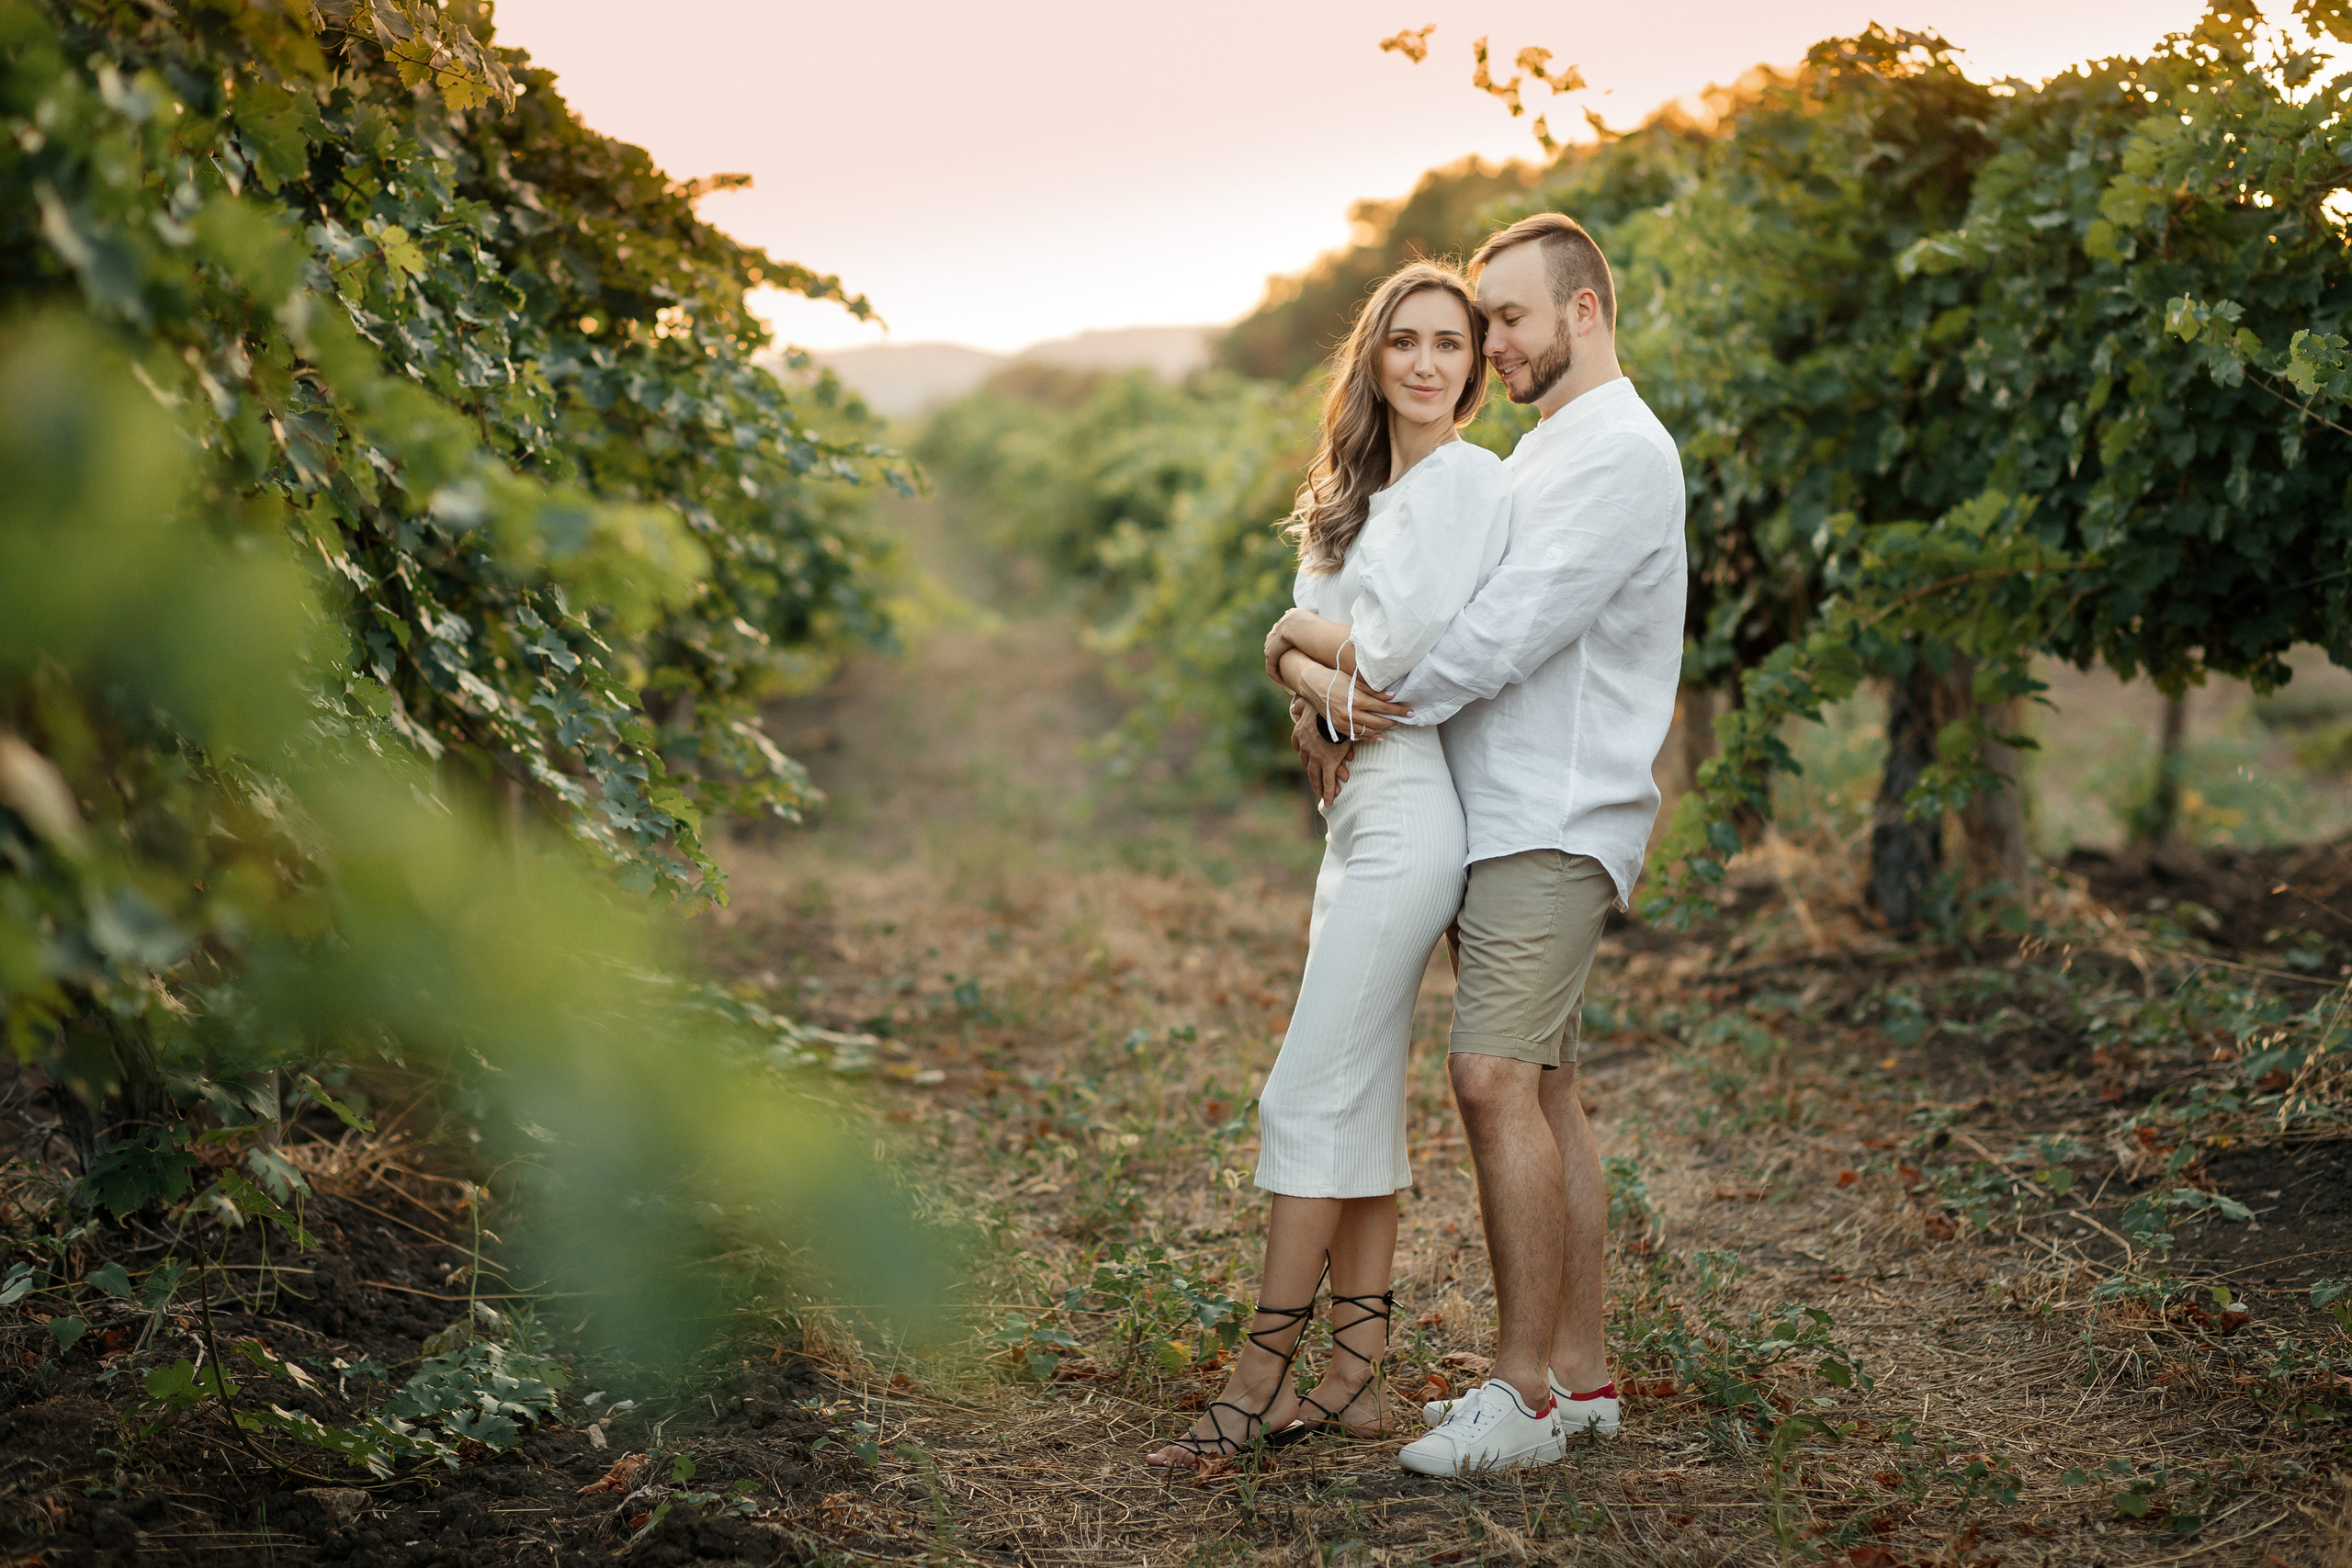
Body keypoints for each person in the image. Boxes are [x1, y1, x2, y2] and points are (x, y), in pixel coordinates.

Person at [1269, 213, 1687, 1475]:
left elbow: (1493, 639)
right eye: (1480, 321)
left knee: (1492, 1079)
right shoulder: (1548, 448)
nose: (1490, 342)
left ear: (1583, 310)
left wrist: (1332, 685)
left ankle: (1521, 1396)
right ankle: (1579, 1377)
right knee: (1544, 1090)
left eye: (1506, 317)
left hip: (1550, 815)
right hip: (1499, 810)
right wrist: (1325, 681)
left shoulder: (1619, 455)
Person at [1145, 261, 1512, 1470]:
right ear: (1372, 356)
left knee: (1304, 1096)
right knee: (1351, 1099)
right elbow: (1336, 683)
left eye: (1450, 343)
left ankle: (1258, 1384)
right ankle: (1353, 1379)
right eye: (1404, 340)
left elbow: (1392, 666)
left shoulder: (1464, 483)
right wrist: (1302, 672)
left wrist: (1286, 639)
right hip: (1353, 825)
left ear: (1474, 367)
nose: (1426, 363)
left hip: (1410, 823)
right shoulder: (1356, 492)